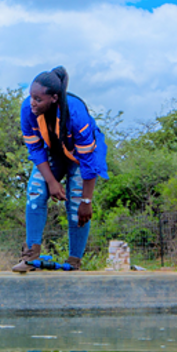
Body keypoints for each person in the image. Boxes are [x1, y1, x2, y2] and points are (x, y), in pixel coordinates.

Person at [13, 67, 108, 272]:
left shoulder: (75, 113)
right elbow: (36, 150)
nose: (32, 103)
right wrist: (52, 182)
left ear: (54, 98)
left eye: (38, 99)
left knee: (76, 204)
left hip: (80, 159)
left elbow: (88, 161)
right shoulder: (27, 111)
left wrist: (86, 201)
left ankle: (74, 263)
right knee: (35, 190)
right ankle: (30, 258)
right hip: (53, 155)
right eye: (31, 97)